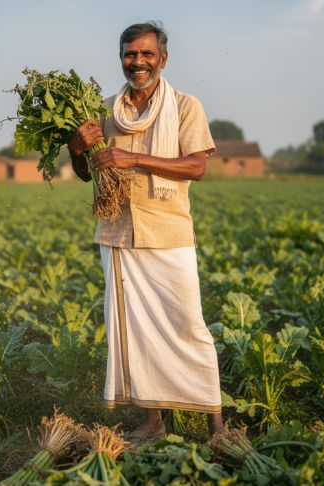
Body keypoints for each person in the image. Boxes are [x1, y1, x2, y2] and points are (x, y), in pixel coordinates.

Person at [67, 21, 225, 440]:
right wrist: (76, 148)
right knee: (135, 331)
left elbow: (196, 166)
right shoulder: (104, 110)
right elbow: (87, 174)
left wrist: (131, 160)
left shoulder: (186, 106)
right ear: (121, 58)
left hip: (169, 230)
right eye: (129, 54)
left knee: (188, 323)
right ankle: (153, 422)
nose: (137, 62)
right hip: (117, 233)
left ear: (163, 59)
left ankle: (216, 423)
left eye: (146, 54)